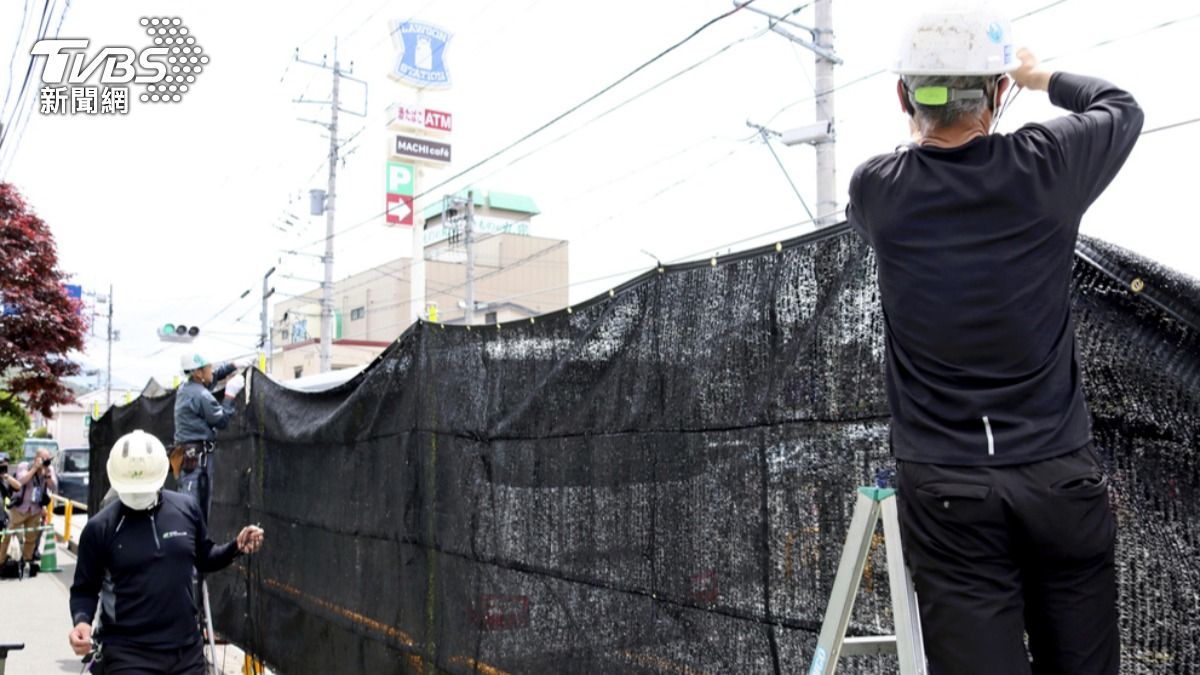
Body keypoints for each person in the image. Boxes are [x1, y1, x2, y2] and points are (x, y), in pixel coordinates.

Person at [846, 4, 1142, 674]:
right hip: (1059, 477)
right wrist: (1039, 76)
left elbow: (914, 166)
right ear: (997, 93)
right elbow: (1119, 104)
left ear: (903, 95)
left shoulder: (878, 192)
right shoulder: (1048, 166)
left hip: (949, 488)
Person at [68, 429, 264, 674]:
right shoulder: (100, 528)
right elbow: (84, 589)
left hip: (186, 652)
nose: (139, 493)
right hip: (127, 654)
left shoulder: (186, 509)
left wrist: (235, 547)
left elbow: (204, 557)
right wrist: (82, 621)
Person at [172, 353, 247, 518]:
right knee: (194, 509)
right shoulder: (201, 396)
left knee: (190, 505)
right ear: (198, 373)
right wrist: (230, 395)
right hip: (197, 461)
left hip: (189, 457)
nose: (212, 371)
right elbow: (221, 420)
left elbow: (211, 379)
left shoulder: (186, 389)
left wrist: (231, 366)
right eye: (209, 368)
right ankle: (194, 542)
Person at [0, 446, 57, 576]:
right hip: (19, 508)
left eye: (48, 460)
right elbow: (20, 482)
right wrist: (34, 469)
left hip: (35, 509)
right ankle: (1, 561)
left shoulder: (48, 469)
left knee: (31, 538)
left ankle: (26, 561)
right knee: (7, 535)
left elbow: (54, 487)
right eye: (44, 459)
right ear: (37, 458)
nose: (46, 462)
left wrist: (47, 474)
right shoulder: (24, 466)